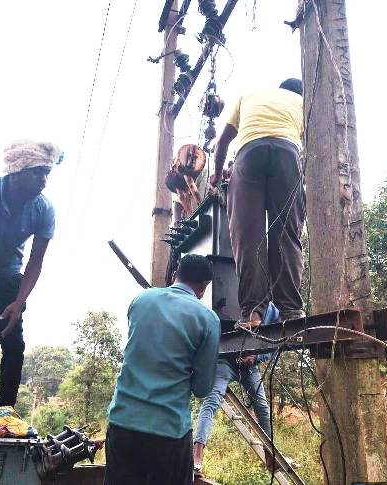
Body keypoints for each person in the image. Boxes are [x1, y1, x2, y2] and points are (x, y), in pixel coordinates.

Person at [0, 140, 62, 437]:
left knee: (12, 342)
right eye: (37, 173)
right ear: (16, 172)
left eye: (47, 173)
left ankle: (6, 415)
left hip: (8, 275)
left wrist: (19, 302)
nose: (44, 180)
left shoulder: (44, 209)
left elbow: (36, 261)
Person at [105, 254, 221, 485]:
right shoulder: (207, 319)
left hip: (123, 424)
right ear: (203, 287)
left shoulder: (140, 301)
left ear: (176, 273)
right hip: (169, 433)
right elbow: (202, 388)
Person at [210, 78, 305, 325]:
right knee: (286, 235)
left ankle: (252, 312)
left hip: (248, 154)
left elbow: (222, 142)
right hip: (288, 152)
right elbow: (315, 149)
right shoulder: (303, 103)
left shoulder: (250, 95)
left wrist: (218, 175)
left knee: (248, 238)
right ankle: (291, 311)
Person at [193, 303, 280, 476]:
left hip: (249, 366)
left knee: (262, 407)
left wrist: (256, 357)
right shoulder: (229, 298)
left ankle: (270, 454)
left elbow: (276, 342)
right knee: (211, 401)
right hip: (225, 361)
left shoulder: (273, 311)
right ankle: (197, 455)